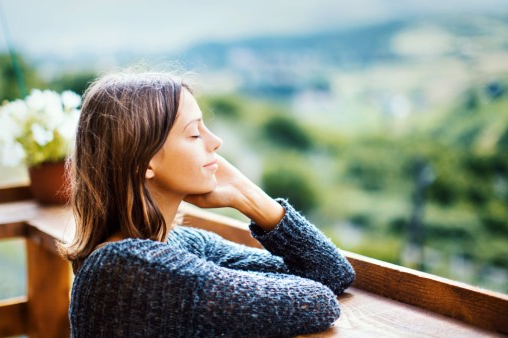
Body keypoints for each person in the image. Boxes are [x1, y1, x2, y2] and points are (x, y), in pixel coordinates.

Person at [59, 71, 355, 338]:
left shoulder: (179, 243)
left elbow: (330, 273)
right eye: (195, 133)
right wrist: (244, 190)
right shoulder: (128, 268)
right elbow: (315, 302)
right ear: (143, 162)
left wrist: (248, 196)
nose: (216, 141)